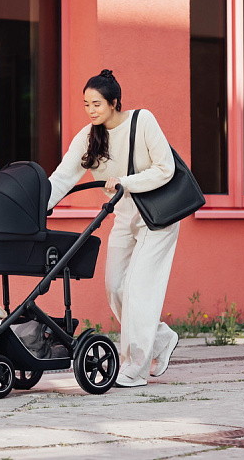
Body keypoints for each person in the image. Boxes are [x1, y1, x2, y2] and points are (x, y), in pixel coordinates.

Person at [48, 69, 180, 387]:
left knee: (137, 289)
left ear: (114, 102)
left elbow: (166, 168)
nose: (91, 110)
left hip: (157, 218)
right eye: (86, 104)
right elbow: (63, 176)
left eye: (96, 104)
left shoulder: (143, 121)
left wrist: (125, 181)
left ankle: (135, 366)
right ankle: (160, 338)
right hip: (124, 216)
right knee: (115, 287)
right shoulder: (88, 137)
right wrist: (35, 203)